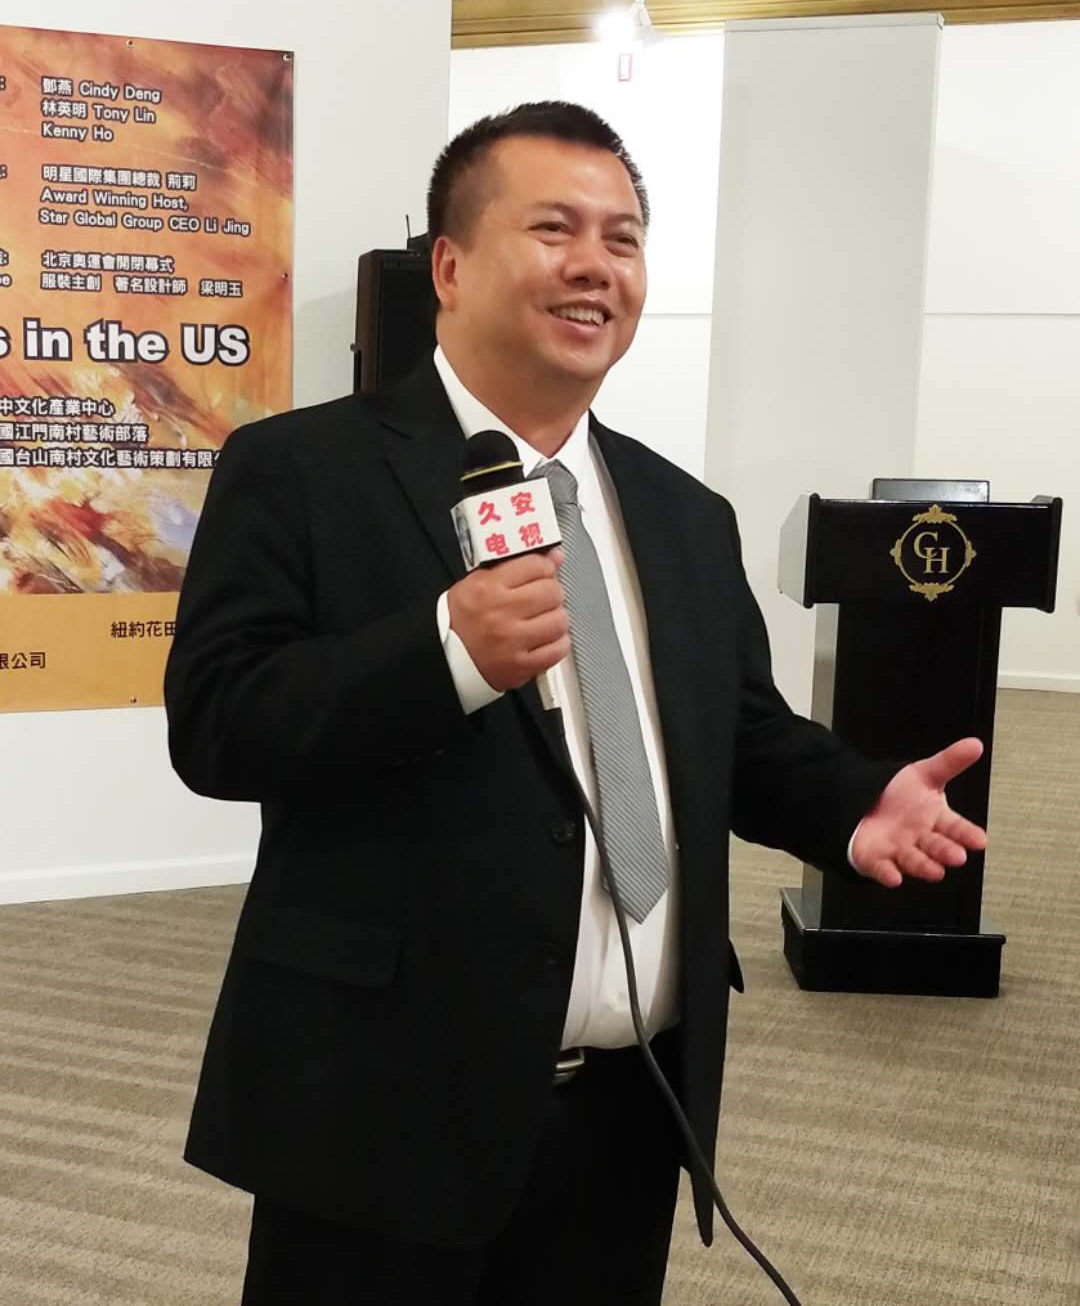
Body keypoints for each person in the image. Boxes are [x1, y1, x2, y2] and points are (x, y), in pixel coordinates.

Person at [164, 101, 987, 1306]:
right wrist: (446, 649)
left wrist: (854, 802)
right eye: (555, 228)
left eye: (625, 238)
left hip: (627, 1111)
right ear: (450, 267)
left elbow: (734, 731)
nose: (597, 264)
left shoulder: (682, 513)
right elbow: (218, 721)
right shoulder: (302, 469)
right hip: (383, 1107)